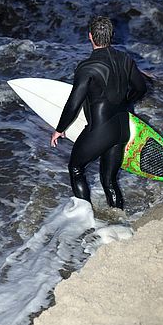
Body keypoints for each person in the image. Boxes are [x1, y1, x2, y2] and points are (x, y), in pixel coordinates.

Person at [51, 16, 146, 210]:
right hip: (121, 127)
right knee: (109, 180)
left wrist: (59, 129)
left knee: (76, 168)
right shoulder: (126, 60)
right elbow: (141, 88)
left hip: (100, 130)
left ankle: (84, 218)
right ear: (111, 36)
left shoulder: (87, 68)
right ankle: (118, 219)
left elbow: (74, 103)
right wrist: (126, 101)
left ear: (90, 37)